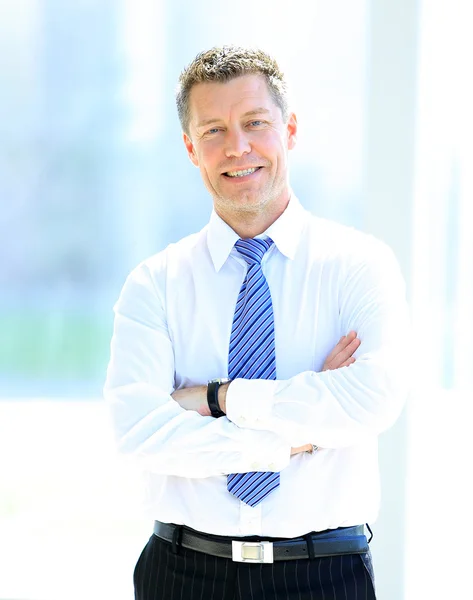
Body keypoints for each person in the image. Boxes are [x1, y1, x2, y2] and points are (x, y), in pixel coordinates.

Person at [104, 45, 410, 600]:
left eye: (254, 123)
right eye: (214, 130)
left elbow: (373, 401)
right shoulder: (155, 283)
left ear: (289, 130)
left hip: (325, 574)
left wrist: (217, 398)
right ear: (190, 147)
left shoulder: (360, 265)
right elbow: (138, 432)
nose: (237, 147)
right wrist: (299, 435)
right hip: (182, 573)